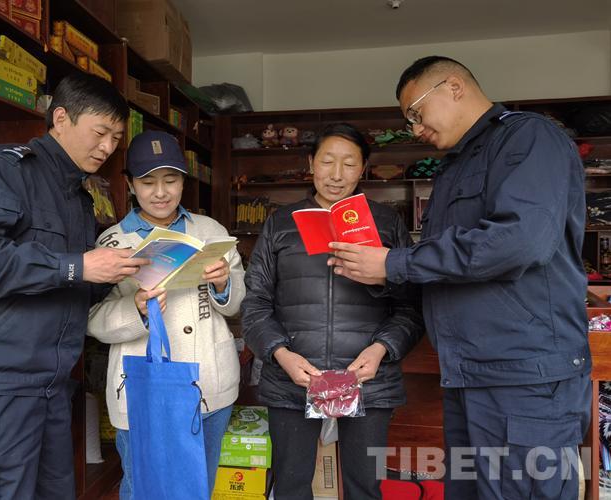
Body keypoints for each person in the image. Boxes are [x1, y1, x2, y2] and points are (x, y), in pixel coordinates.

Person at [329, 56, 592, 499]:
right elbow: (450, 268)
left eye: (416, 113)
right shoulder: (454, 167)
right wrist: (378, 271)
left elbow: (520, 241)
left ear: (453, 87)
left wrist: (394, 264)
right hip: (469, 374)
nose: (415, 129)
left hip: (524, 377)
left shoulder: (528, 137)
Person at [0, 72, 147, 500]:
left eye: (116, 138)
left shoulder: (77, 197)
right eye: (100, 132)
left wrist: (122, 278)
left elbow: (61, 287)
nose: (107, 147)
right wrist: (78, 266)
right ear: (60, 118)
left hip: (47, 389)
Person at [241, 123, 424, 500]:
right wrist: (281, 354)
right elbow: (255, 302)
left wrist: (381, 350)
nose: (337, 174)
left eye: (349, 163)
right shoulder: (280, 222)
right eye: (327, 161)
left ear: (363, 168)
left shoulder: (387, 223)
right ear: (310, 163)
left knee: (365, 487)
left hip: (369, 378)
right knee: (291, 486)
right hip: (293, 378)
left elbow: (411, 305)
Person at [87, 130, 245, 499]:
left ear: (183, 182)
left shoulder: (209, 231)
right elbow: (92, 318)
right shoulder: (112, 243)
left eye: (171, 180)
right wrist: (136, 309)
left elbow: (237, 302)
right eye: (148, 182)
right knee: (144, 487)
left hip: (208, 381)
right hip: (145, 389)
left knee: (199, 486)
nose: (161, 192)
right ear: (130, 184)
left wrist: (224, 283)